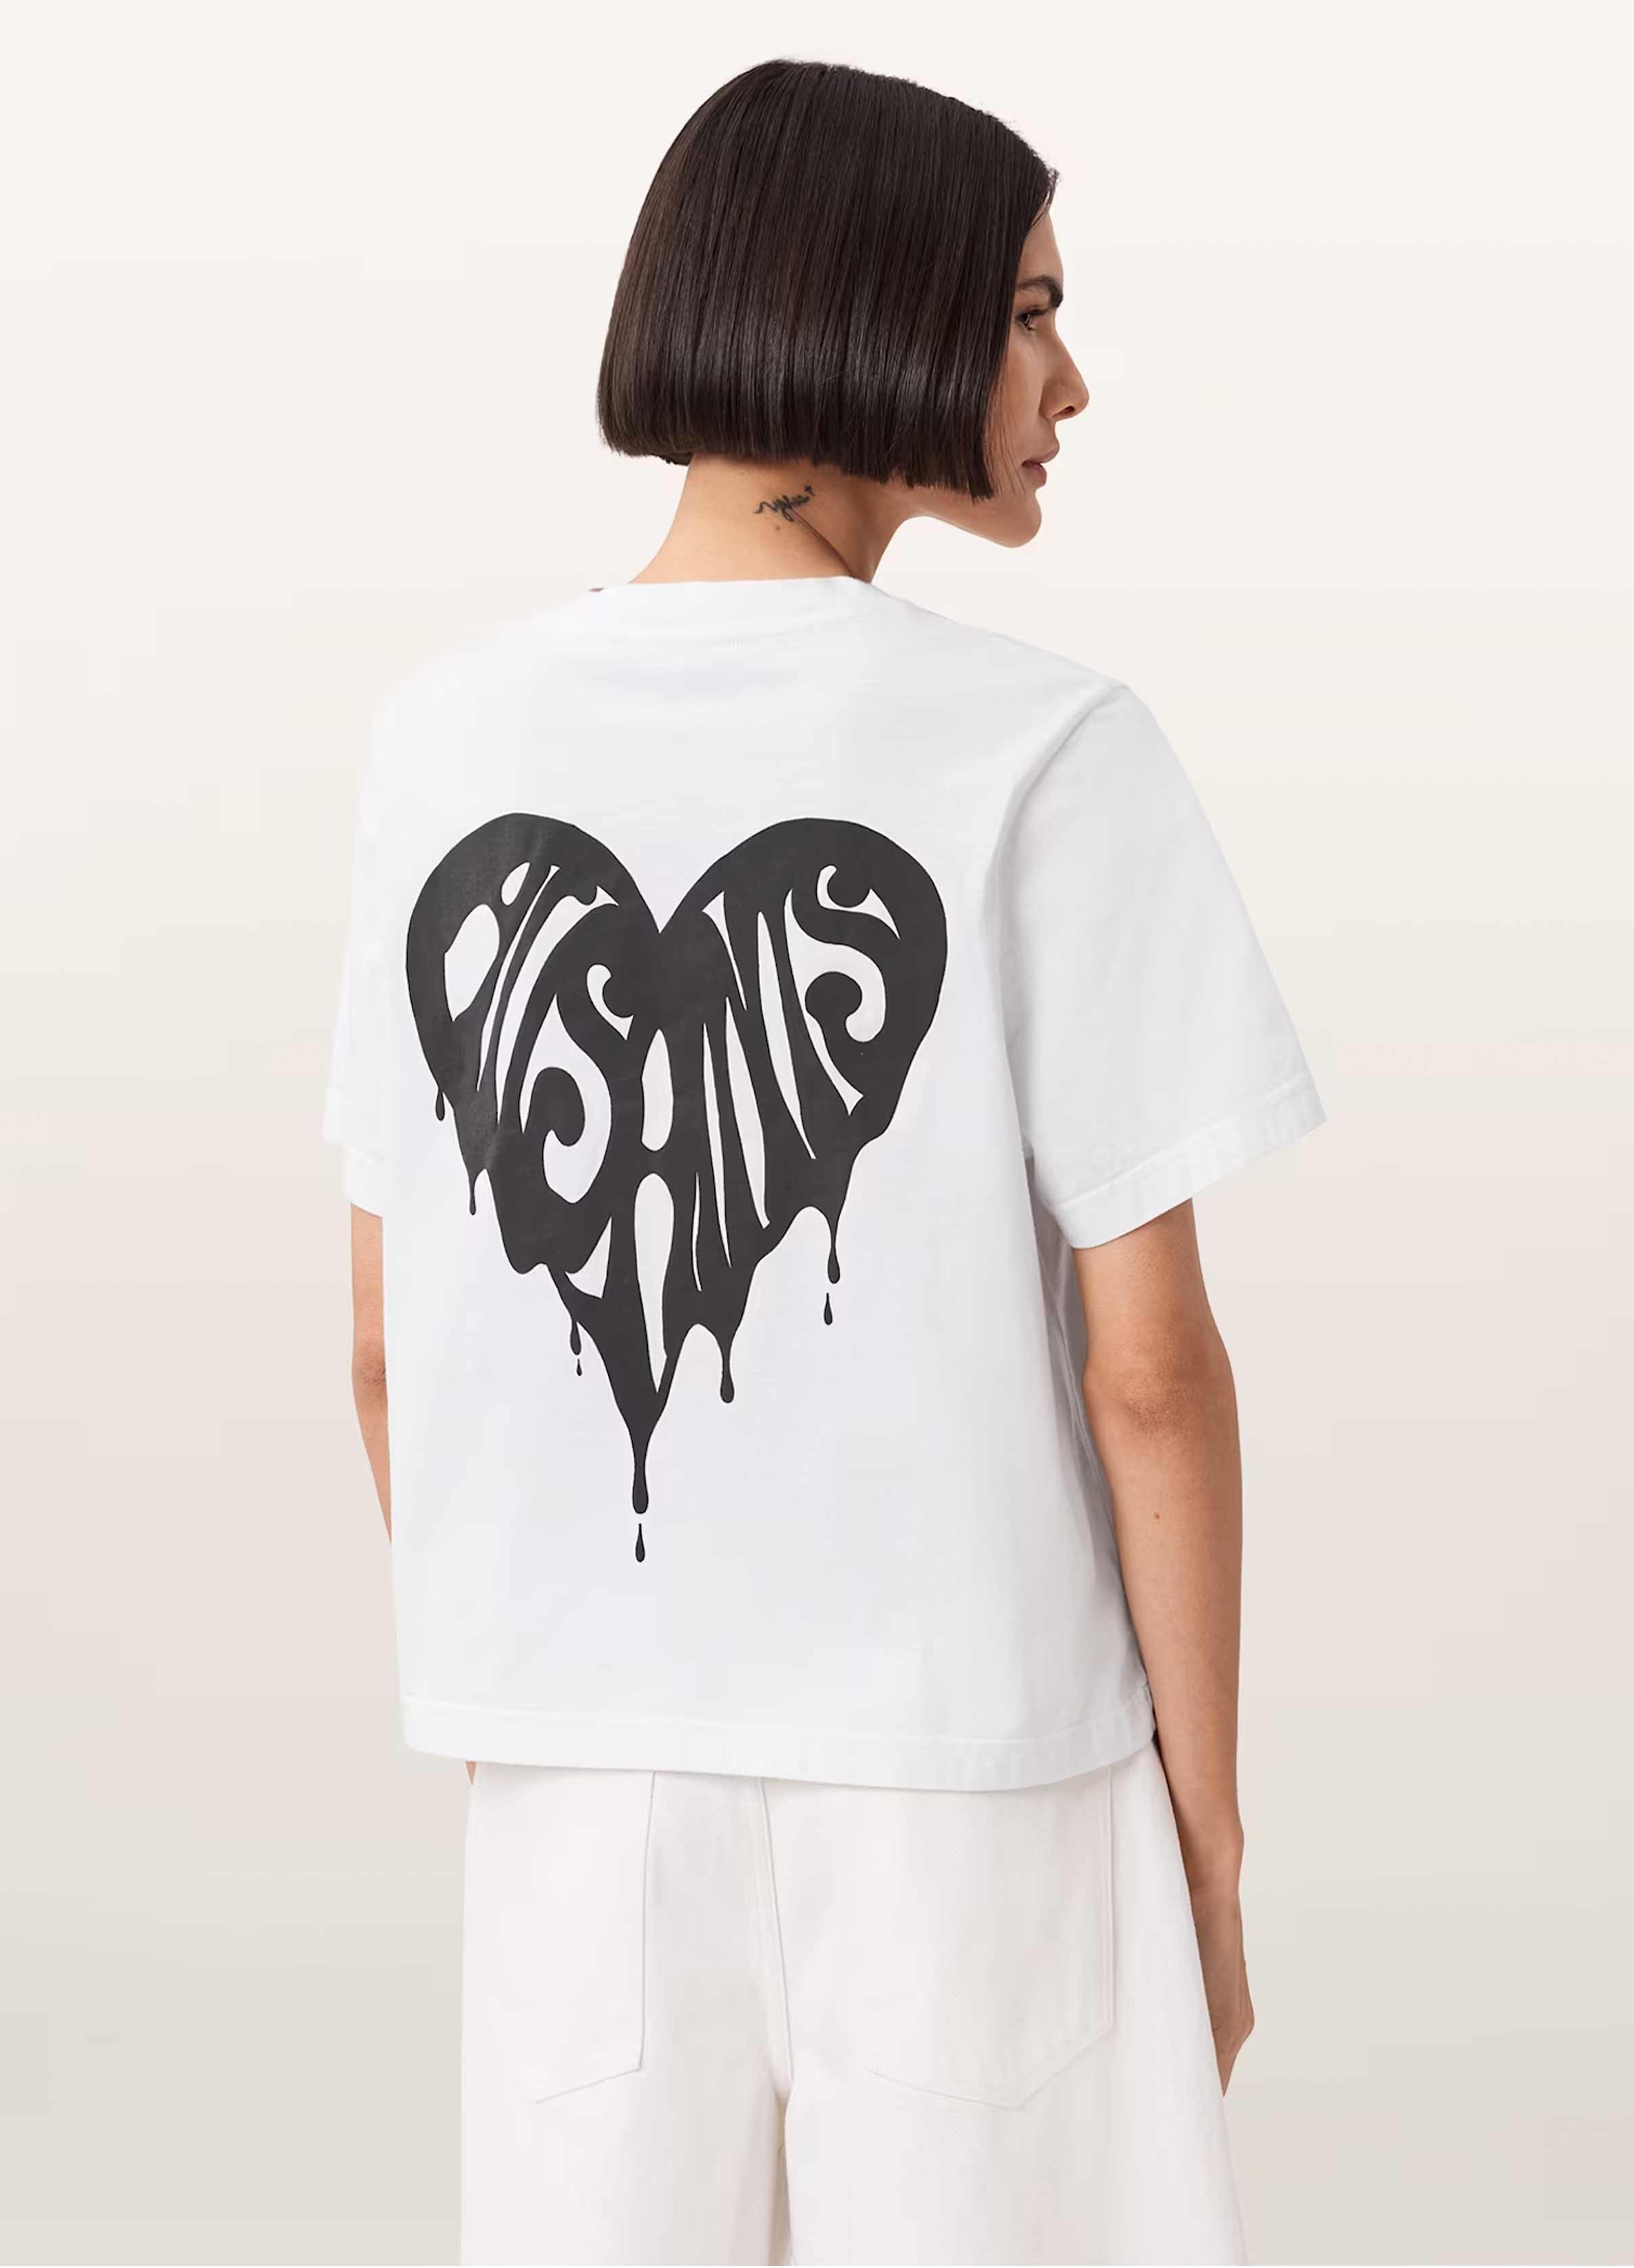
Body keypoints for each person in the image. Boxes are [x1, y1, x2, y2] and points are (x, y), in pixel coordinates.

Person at [324, 56, 1326, 2268]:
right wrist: (1211, 1837)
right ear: (878, 308)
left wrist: (566, 1664)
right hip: (984, 1779)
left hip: (580, 1794)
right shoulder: (1048, 752)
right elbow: (1148, 1373)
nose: (1071, 381)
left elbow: (392, 1347)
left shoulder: (440, 744)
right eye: (1029, 314)